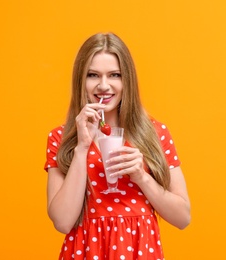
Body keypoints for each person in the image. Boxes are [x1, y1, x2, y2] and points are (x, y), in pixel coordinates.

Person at [44, 33, 191, 259]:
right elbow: (63, 222)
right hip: (86, 251)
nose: (104, 85)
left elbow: (182, 218)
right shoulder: (61, 138)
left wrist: (142, 177)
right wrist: (82, 147)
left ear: (127, 80)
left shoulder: (155, 134)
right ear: (80, 80)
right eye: (93, 75)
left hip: (140, 249)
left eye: (115, 75)